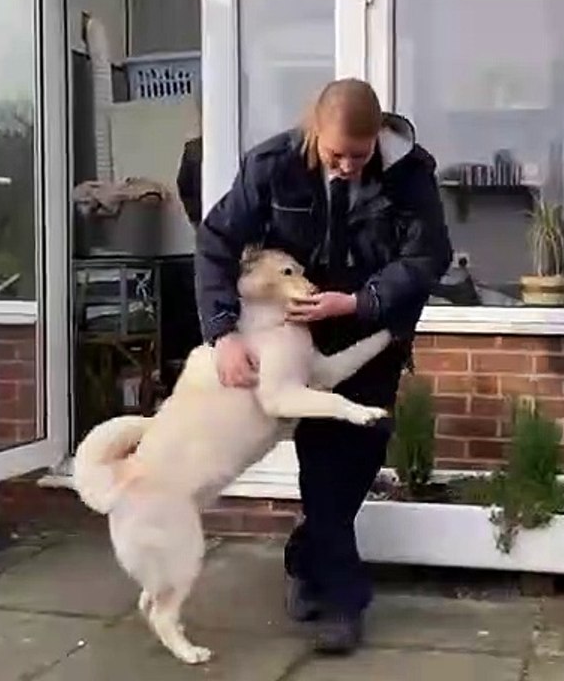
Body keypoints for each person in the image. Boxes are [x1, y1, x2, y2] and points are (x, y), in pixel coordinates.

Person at [194, 78, 453, 654]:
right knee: (324, 466)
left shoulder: (410, 173)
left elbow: (426, 256)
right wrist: (223, 332)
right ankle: (342, 604)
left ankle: (305, 556)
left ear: (378, 136)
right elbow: (216, 241)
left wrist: (359, 301)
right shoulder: (272, 166)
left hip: (372, 330)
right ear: (315, 127)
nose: (346, 166)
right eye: (336, 154)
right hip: (297, 335)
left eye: (359, 155)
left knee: (360, 458)